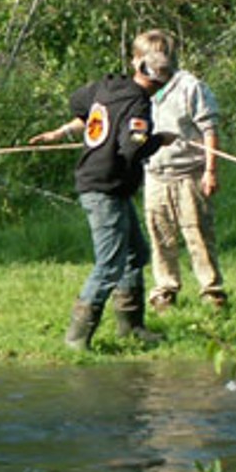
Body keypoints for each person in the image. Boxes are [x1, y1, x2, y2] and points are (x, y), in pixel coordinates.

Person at [28, 49, 172, 350]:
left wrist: (66, 130)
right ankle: (76, 339)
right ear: (161, 82)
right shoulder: (138, 103)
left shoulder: (106, 86)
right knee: (109, 264)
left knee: (135, 254)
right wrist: (158, 140)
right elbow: (132, 147)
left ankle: (131, 327)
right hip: (104, 187)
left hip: (107, 185)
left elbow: (78, 102)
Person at [135, 30, 226, 313]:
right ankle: (165, 292)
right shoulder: (140, 90)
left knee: (197, 234)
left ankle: (212, 293)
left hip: (189, 174)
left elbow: (209, 130)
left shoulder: (191, 87)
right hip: (155, 174)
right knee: (160, 236)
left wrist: (210, 171)